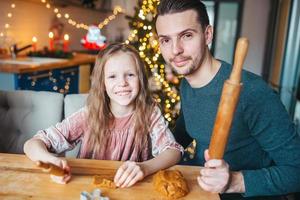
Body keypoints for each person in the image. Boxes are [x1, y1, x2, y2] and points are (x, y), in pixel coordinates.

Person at [155, 0, 300, 199]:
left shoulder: (252, 92)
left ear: (207, 35)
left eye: (186, 36)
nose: (175, 50)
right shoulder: (187, 84)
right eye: (166, 40)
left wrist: (234, 181)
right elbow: (183, 132)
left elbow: (296, 170)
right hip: (202, 191)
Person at [24, 43, 183, 187]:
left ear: (140, 78)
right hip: (88, 189)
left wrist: (145, 167)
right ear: (103, 83)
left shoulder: (149, 113)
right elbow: (32, 144)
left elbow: (173, 151)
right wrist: (53, 161)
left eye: (130, 75)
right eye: (112, 76)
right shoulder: (90, 115)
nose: (122, 83)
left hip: (133, 189)